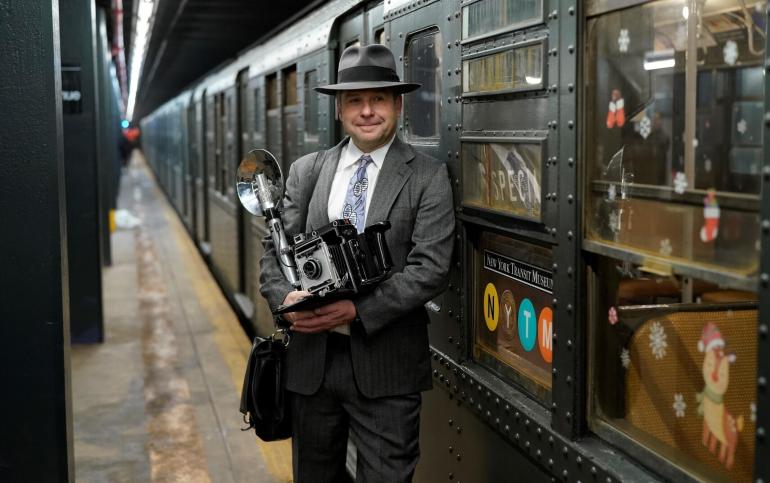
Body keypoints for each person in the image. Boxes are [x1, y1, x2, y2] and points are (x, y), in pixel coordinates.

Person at [259, 44, 455, 482]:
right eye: (354, 100)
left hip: (387, 368)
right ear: (339, 110)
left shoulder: (427, 176)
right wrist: (285, 300)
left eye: (379, 99)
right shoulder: (307, 171)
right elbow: (274, 252)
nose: (367, 110)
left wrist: (358, 310)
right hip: (312, 366)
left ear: (398, 104)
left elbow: (432, 267)